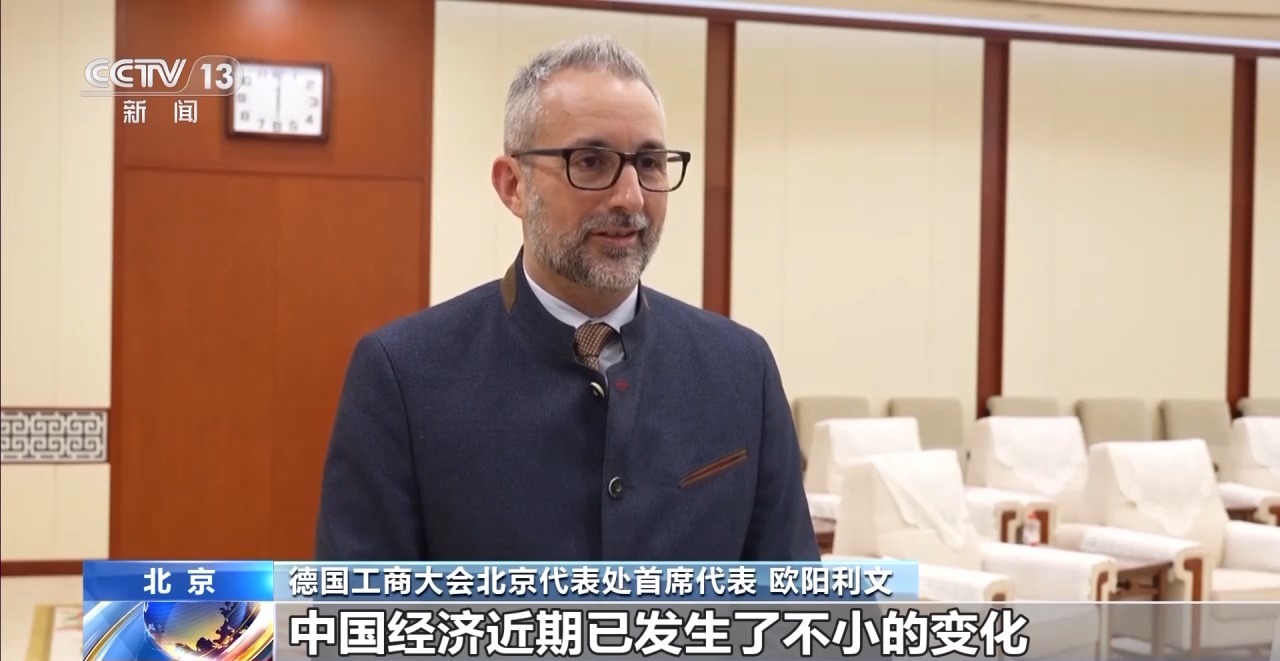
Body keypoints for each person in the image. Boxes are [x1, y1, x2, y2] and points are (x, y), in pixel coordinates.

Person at [314, 34, 817, 561]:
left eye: (649, 163)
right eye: (591, 161)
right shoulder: (404, 376)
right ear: (513, 186)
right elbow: (359, 604)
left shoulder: (741, 370)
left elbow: (797, 598)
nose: (630, 197)